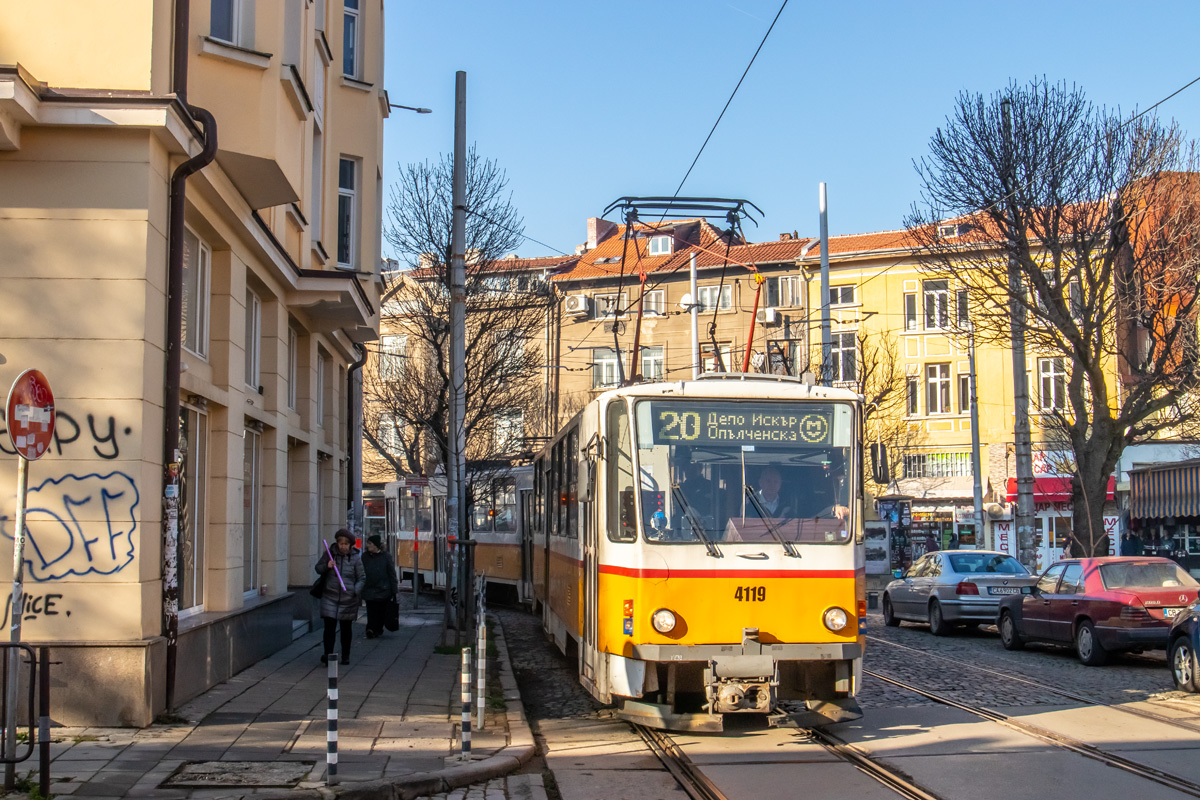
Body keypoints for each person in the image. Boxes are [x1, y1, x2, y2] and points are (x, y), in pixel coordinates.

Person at [315, 529, 365, 665]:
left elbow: (362, 578)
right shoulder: (330, 554)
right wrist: (327, 566)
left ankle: (345, 655)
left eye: (346, 544)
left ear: (350, 545)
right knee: (329, 628)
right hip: (329, 597)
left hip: (348, 599)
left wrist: (355, 590)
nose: (343, 546)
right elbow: (318, 568)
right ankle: (328, 655)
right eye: (341, 543)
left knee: (346, 629)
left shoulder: (355, 558)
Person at [361, 534, 398, 639]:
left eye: (370, 544)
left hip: (383, 589)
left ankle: (378, 629)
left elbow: (391, 573)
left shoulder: (386, 556)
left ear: (376, 545)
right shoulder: (365, 557)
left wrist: (394, 590)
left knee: (381, 611)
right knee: (371, 610)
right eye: (368, 543)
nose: (368, 546)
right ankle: (370, 629)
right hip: (369, 589)